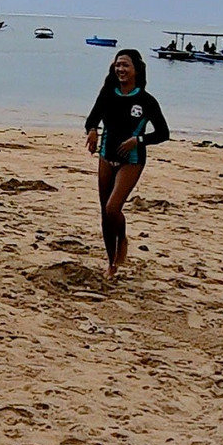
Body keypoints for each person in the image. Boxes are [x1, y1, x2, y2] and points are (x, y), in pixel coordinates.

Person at [84, 49, 169, 278]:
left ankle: (122, 238)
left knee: (113, 208)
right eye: (117, 65)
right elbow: (92, 118)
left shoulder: (146, 101)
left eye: (125, 65)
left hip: (131, 160)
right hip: (106, 155)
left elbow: (163, 133)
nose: (120, 69)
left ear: (137, 69)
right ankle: (111, 262)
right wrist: (92, 131)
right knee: (105, 213)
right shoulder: (107, 94)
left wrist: (138, 140)